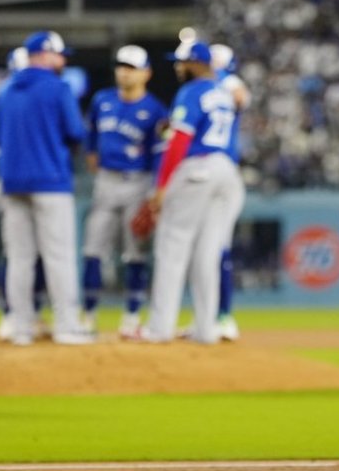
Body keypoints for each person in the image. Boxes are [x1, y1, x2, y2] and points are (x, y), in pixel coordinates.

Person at [0, 30, 94, 346]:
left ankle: (20, 328)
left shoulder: (6, 91)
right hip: (50, 181)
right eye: (59, 54)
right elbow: (76, 133)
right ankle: (66, 326)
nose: (62, 60)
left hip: (12, 183)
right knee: (58, 256)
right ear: (45, 55)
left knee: (19, 258)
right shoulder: (57, 88)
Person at [137, 40, 242, 344]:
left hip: (198, 168)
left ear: (195, 63)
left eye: (182, 62)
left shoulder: (192, 91)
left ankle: (159, 329)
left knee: (172, 247)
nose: (177, 67)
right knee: (207, 254)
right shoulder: (222, 93)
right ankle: (206, 329)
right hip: (227, 172)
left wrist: (162, 186)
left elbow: (180, 141)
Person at [80, 45, 168, 338]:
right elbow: (90, 133)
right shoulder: (102, 100)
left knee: (134, 253)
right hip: (106, 179)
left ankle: (131, 317)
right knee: (93, 249)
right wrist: (92, 154)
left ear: (146, 73)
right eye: (120, 66)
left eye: (130, 67)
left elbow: (158, 155)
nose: (124, 72)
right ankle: (88, 315)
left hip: (137, 182)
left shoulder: (155, 110)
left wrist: (156, 190)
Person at [0, 46, 49, 341]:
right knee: (17, 254)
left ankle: (28, 314)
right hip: (13, 182)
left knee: (31, 255)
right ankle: (11, 314)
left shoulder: (10, 96)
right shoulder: (12, 96)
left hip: (17, 182)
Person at [208, 43, 249, 342]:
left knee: (218, 248)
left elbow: (241, 97)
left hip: (221, 173)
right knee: (206, 251)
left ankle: (223, 316)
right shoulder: (205, 87)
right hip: (207, 174)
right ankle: (209, 317)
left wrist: (220, 79)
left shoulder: (227, 83)